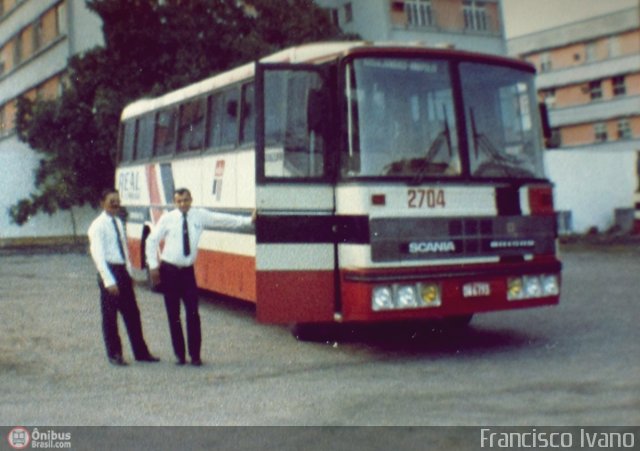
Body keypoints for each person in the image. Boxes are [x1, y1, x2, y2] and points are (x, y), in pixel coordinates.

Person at [145, 188, 255, 366]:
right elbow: (151, 240)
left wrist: (248, 220)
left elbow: (222, 220)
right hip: (169, 270)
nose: (183, 204)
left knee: (193, 313)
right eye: (179, 201)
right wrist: (153, 266)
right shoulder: (168, 218)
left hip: (187, 272)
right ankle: (179, 355)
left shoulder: (199, 216)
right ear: (174, 202)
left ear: (191, 200)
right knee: (174, 314)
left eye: (186, 200)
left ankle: (195, 355)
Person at [88, 189, 160, 366]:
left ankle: (141, 352)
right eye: (111, 200)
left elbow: (125, 251)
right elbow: (98, 256)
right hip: (110, 271)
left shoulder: (119, 222)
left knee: (133, 314)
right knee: (110, 317)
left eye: (117, 200)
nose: (115, 203)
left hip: (122, 271)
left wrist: (130, 273)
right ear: (102, 203)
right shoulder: (97, 226)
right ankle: (115, 354)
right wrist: (109, 281)